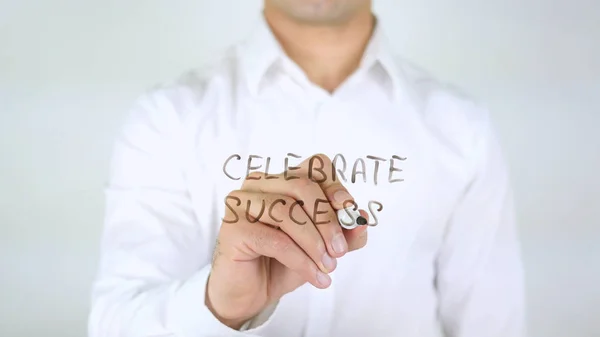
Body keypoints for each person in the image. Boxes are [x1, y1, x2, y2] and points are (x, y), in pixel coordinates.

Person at [88, 0, 526, 336]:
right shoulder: (168, 119)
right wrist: (221, 304)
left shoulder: (463, 128)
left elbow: (493, 325)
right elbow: (116, 323)